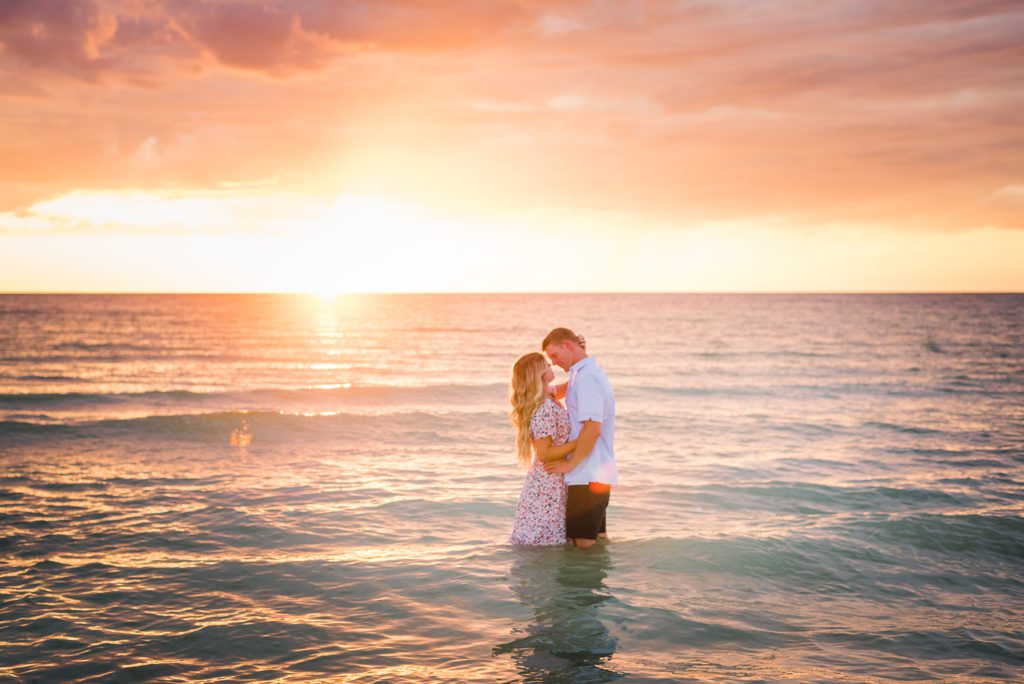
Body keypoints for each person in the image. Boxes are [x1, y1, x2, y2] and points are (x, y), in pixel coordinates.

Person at [541, 328, 617, 549]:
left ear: (568, 345)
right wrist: (539, 389)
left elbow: (593, 428)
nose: (553, 363)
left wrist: (570, 464)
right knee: (598, 542)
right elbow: (562, 390)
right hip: (595, 473)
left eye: (554, 355)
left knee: (583, 547)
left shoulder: (587, 378)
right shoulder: (581, 374)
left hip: (587, 475)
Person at [508, 352, 579, 545]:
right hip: (548, 483)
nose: (551, 366)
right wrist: (580, 441)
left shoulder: (547, 394)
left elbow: (572, 386)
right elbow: (545, 453)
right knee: (543, 543)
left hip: (546, 481)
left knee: (542, 543)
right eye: (547, 365)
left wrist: (581, 366)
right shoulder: (544, 408)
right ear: (539, 373)